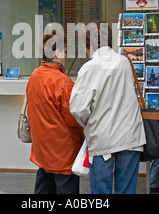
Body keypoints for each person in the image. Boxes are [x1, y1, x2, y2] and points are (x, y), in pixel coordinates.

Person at [69, 20, 146, 194]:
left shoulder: (89, 68)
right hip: (131, 137)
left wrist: (88, 123)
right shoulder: (125, 62)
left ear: (88, 45)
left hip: (103, 140)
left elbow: (77, 109)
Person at [26, 30, 84, 194]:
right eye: (64, 50)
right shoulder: (63, 82)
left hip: (42, 151)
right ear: (57, 52)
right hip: (63, 153)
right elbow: (74, 118)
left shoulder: (34, 76)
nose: (65, 54)